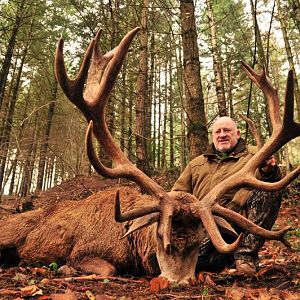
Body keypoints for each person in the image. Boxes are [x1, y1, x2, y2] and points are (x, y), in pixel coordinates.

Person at [171, 116, 282, 275]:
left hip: (239, 224)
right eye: (218, 131)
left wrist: (268, 170)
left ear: (237, 134)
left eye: (227, 130)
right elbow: (177, 195)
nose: (222, 134)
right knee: (194, 261)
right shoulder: (196, 164)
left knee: (269, 190)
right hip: (204, 228)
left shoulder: (255, 154)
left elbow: (270, 179)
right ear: (213, 136)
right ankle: (225, 260)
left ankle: (246, 256)